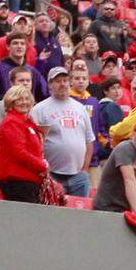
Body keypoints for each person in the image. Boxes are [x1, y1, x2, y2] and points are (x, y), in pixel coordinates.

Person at [31, 67, 94, 197]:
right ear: (50, 84)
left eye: (65, 80)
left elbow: (89, 141)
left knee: (79, 215)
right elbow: (34, 143)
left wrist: (84, 169)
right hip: (52, 174)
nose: (62, 84)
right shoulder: (39, 109)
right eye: (58, 81)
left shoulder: (81, 108)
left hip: (78, 176)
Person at [0, 84, 48, 204]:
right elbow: (19, 152)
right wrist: (42, 165)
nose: (24, 102)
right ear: (11, 101)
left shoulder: (27, 122)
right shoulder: (11, 122)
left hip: (29, 180)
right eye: (19, 99)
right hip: (17, 180)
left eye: (27, 98)